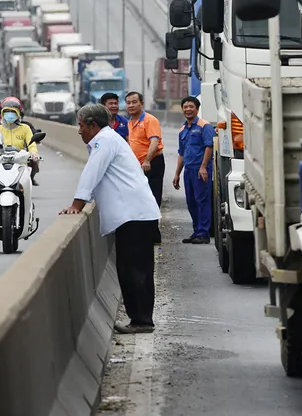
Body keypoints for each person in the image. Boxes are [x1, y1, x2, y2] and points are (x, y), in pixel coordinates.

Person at [60, 104, 159, 334]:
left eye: (81, 125)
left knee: (134, 270)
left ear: (93, 125)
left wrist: (77, 205)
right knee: (134, 269)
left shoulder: (104, 141)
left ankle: (142, 321)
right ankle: (142, 319)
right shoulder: (109, 139)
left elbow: (91, 173)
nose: (78, 131)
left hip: (134, 216)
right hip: (136, 214)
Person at [173, 96, 215, 244]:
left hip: (200, 169)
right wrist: (177, 173)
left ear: (197, 109)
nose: (188, 109)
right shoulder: (183, 129)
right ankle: (196, 231)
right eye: (185, 107)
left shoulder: (205, 126)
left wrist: (203, 167)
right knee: (191, 202)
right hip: (188, 171)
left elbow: (209, 147)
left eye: (191, 106)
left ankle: (204, 233)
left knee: (202, 200)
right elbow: (181, 153)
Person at [125, 92, 164, 245]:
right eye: (128, 103)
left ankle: (154, 235)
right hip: (138, 166)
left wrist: (147, 160)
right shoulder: (130, 122)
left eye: (134, 102)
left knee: (153, 198)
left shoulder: (149, 120)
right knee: (141, 198)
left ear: (142, 103)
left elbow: (154, 142)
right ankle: (146, 232)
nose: (131, 105)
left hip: (152, 163)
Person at [0, 97, 40, 185]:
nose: (10, 114)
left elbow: (31, 144)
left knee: (25, 185)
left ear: (18, 114)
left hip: (20, 164)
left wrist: (34, 153)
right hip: (0, 165)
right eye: (7, 112)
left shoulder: (25, 128)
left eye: (13, 112)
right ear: (2, 113)